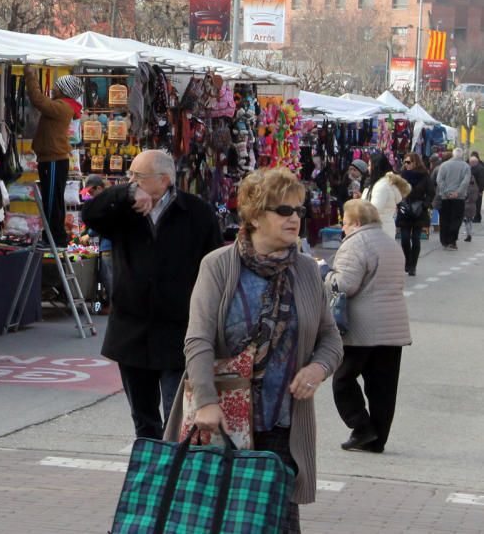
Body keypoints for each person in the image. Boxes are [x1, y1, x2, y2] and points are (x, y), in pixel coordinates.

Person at [165, 167, 343, 532]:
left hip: (281, 425)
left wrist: (317, 369)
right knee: (212, 519)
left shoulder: (307, 271)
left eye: (299, 210)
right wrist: (206, 401)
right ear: (255, 215)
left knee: (277, 522)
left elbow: (330, 338)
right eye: (284, 210)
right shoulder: (218, 265)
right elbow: (197, 339)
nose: (295, 218)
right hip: (220, 421)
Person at [82, 150, 221, 439]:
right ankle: (151, 475)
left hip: (178, 331)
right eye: (130, 175)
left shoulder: (197, 212)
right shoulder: (124, 210)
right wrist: (127, 192)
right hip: (132, 331)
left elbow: (215, 267)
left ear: (164, 180)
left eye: (139, 177)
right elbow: (90, 214)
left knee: (177, 416)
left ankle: (174, 476)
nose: (132, 180)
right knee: (144, 420)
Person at [325, 200, 411, 454]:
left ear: (357, 223)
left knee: (342, 379)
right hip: (393, 327)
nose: (343, 228)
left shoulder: (356, 244)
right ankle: (377, 439)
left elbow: (345, 285)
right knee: (383, 386)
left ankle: (361, 426)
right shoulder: (390, 243)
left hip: (363, 327)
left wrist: (324, 274)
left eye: (345, 223)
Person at [24, 67, 82, 247]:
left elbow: (38, 100)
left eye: (57, 87)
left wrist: (30, 75)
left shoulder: (62, 107)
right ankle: (55, 236)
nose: (53, 89)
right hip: (51, 159)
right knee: (53, 200)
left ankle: (52, 237)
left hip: (54, 160)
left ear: (64, 90)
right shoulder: (62, 106)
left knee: (51, 201)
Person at [80, 174, 112, 314]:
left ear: (99, 188)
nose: (90, 195)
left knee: (109, 277)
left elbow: (103, 220)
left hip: (109, 246)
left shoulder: (107, 201)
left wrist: (89, 234)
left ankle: (114, 306)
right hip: (107, 244)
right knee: (107, 277)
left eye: (91, 192)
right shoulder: (105, 200)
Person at [396, 155, 433, 276]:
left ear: (415, 162)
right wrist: (398, 204)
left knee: (416, 239)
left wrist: (425, 205)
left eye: (408, 162)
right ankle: (407, 261)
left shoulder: (424, 176)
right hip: (405, 210)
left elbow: (430, 192)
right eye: (405, 162)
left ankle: (413, 266)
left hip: (419, 211)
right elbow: (396, 191)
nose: (406, 164)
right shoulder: (402, 176)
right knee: (405, 239)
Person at [361, 152, 410, 240]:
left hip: (379, 231)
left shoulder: (382, 186)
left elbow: (374, 210)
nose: (368, 168)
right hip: (382, 229)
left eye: (369, 165)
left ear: (375, 167)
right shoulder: (383, 184)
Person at [434, 147, 471, 250]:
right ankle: (452, 240)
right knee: (456, 219)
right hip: (459, 198)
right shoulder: (466, 166)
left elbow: (439, 180)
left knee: (445, 218)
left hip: (445, 197)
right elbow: (465, 181)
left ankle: (444, 240)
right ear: (462, 155)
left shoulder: (444, 165)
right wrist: (457, 192)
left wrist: (446, 191)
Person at [464, 169, 479, 243]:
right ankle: (469, 234)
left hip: (466, 205)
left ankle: (468, 235)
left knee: (466, 221)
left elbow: (464, 195)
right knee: (470, 221)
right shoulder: (476, 187)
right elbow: (476, 197)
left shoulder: (466, 186)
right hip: (473, 205)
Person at [469, 152, 484, 223]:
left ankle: (477, 217)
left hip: (477, 188)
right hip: (475, 188)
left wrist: (480, 190)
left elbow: (481, 180)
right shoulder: (479, 166)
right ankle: (476, 216)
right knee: (475, 203)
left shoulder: (479, 168)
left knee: (477, 203)